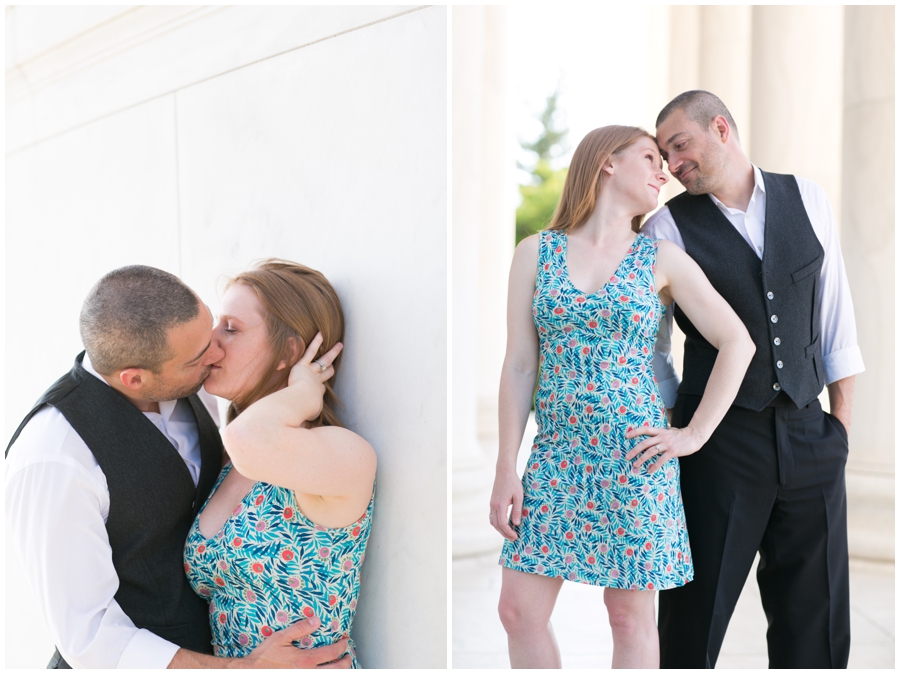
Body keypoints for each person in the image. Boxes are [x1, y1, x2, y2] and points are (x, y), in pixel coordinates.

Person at [489, 125, 756, 668]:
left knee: (629, 618)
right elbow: (519, 364)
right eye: (651, 157)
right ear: (606, 163)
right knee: (518, 611)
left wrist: (693, 434)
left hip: (636, 453)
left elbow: (738, 342)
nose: (665, 170)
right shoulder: (535, 253)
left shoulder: (661, 258)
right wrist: (505, 465)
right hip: (557, 454)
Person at [5, 265, 353, 668]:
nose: (215, 354)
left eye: (217, 333)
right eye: (197, 357)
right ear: (134, 378)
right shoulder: (54, 455)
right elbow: (91, 640)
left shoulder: (190, 386)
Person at [643, 90, 864, 668]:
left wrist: (837, 430)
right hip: (717, 442)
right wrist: (680, 424)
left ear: (721, 128)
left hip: (809, 432)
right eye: (664, 154)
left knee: (816, 620)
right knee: (694, 615)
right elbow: (652, 345)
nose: (672, 163)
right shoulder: (666, 226)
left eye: (680, 145)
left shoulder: (808, 199)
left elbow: (835, 317)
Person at [182, 260, 377, 668]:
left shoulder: (344, 454)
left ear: (288, 352)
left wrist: (304, 394)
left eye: (230, 329)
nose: (211, 342)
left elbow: (248, 438)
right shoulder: (227, 463)